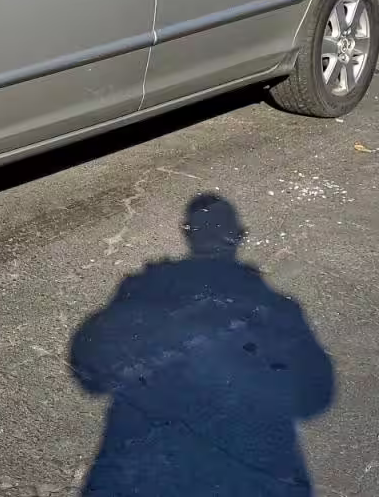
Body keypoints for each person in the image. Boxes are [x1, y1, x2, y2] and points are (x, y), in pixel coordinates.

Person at [69, 194, 334, 496]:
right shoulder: (279, 312)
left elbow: (89, 366)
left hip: (146, 475)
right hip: (245, 478)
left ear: (187, 233)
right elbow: (314, 396)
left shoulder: (144, 294)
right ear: (239, 237)